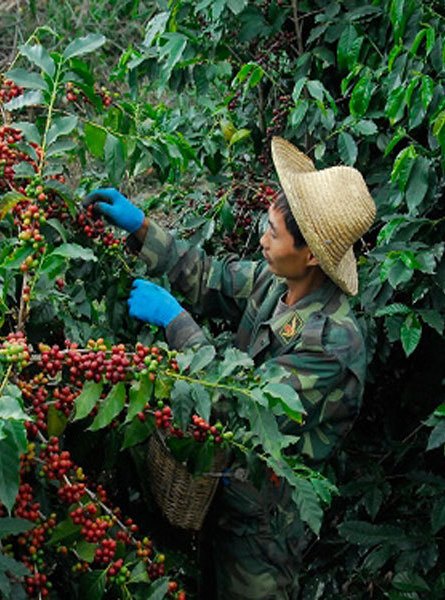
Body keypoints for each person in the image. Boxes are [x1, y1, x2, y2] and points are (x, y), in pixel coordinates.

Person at [84, 137, 376, 598]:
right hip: (223, 498)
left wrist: (176, 321)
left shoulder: (331, 344)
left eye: (274, 232)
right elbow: (209, 277)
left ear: (312, 255)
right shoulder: (275, 279)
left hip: (265, 531)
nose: (262, 237)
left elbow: (242, 405)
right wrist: (142, 228)